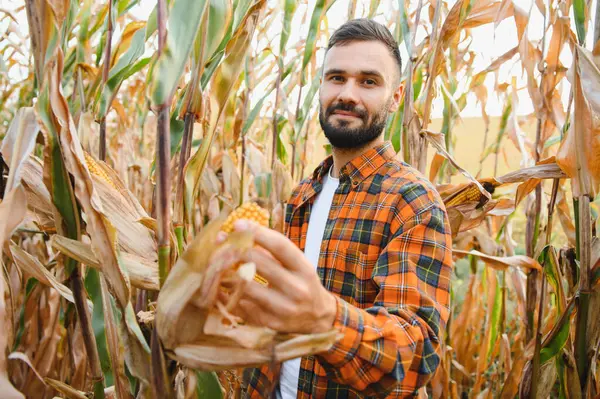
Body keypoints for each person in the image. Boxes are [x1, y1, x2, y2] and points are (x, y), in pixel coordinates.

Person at [230, 18, 453, 398]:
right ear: (321, 88)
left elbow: (414, 358)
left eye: (368, 81)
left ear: (396, 98)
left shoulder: (412, 202)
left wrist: (324, 317)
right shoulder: (304, 193)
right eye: (336, 78)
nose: (347, 94)